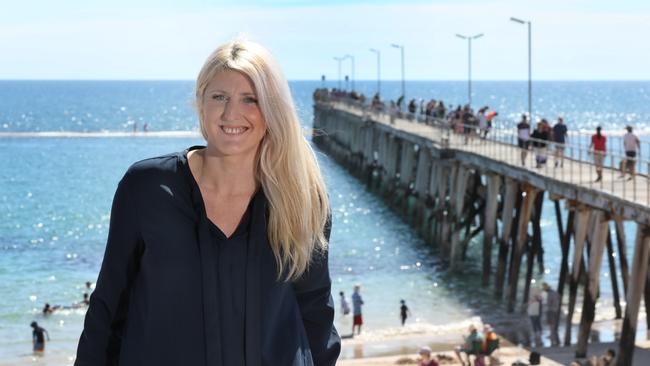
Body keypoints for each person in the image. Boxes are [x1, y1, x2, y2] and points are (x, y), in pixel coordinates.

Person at [75, 39, 340, 366]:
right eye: (219, 97)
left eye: (250, 99)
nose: (232, 113)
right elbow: (107, 309)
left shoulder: (302, 198)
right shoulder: (146, 188)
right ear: (200, 102)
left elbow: (316, 313)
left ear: (272, 110)